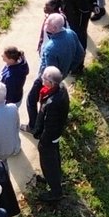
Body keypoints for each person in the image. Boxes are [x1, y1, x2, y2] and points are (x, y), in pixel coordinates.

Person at [26, 14, 83, 129]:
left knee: (32, 100)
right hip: (61, 75)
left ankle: (34, 127)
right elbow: (80, 53)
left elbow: (50, 73)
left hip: (48, 80)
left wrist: (44, 83)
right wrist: (70, 68)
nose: (45, 24)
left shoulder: (51, 48)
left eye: (48, 24)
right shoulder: (71, 33)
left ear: (54, 29)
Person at [32, 66, 69, 202]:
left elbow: (50, 125)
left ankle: (55, 192)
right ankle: (52, 177)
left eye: (44, 78)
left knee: (49, 162)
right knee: (54, 156)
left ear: (52, 83)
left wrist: (43, 140)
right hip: (54, 135)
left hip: (50, 137)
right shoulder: (60, 89)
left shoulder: (53, 103)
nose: (42, 80)